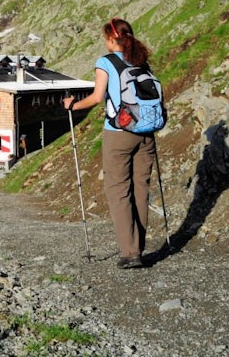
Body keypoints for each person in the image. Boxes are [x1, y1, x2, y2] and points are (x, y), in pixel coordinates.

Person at [63, 18, 157, 270]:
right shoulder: (141, 61)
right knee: (140, 189)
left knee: (118, 190)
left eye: (105, 38)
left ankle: (130, 252)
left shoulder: (106, 62)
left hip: (119, 132)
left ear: (111, 39)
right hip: (146, 131)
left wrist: (72, 105)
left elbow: (96, 97)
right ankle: (139, 246)